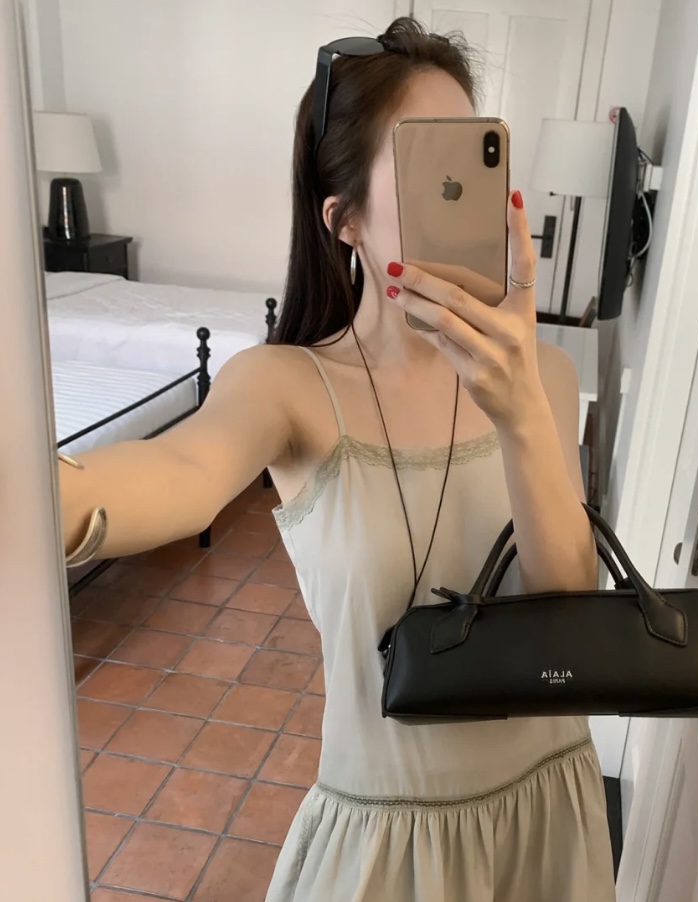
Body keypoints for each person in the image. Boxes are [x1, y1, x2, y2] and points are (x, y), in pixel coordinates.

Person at [59, 17, 615, 902]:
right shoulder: (286, 386)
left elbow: (568, 608)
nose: (462, 197)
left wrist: (517, 411)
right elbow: (181, 476)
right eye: (429, 168)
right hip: (389, 847)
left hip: (546, 818)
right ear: (343, 218)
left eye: (476, 160)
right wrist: (45, 494)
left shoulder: (545, 374)